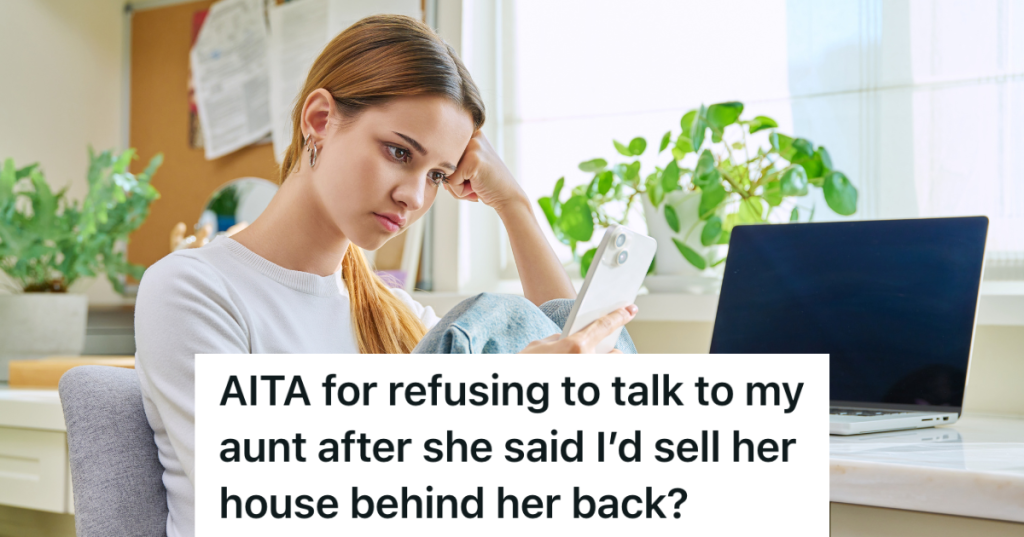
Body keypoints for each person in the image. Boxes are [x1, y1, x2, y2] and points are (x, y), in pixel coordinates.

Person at [134, 14, 637, 537]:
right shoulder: (193, 288)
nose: (415, 197)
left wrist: (512, 204)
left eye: (437, 175)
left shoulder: (399, 319)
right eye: (400, 153)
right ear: (321, 119)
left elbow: (559, 334)